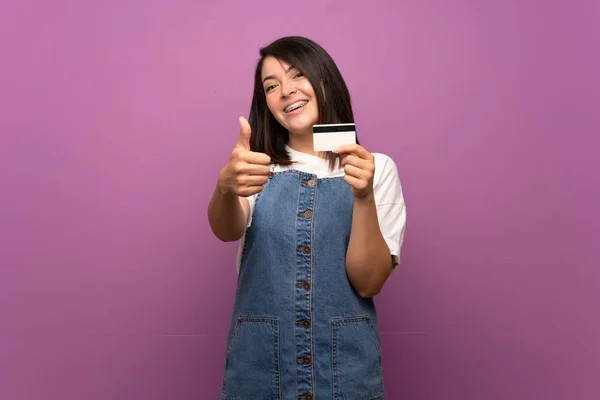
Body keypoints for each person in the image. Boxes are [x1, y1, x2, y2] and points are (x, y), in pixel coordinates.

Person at [208, 36, 406, 400]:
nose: (285, 91)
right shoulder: (255, 167)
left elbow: (368, 282)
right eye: (271, 86)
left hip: (345, 371)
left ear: (325, 81)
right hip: (259, 368)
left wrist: (362, 197)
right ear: (266, 104)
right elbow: (226, 228)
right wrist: (224, 188)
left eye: (297, 75)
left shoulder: (377, 169)